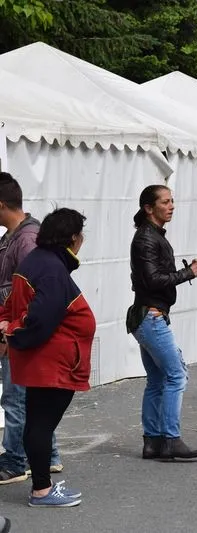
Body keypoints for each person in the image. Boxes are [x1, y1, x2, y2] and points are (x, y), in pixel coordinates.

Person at [0, 208, 92, 507]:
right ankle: (41, 489)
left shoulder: (38, 262)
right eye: (81, 235)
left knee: (37, 423)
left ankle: (42, 485)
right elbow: (38, 318)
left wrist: (8, 325)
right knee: (41, 424)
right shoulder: (51, 268)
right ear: (73, 238)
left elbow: (13, 307)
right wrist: (12, 329)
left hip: (45, 359)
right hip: (52, 361)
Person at [127, 185, 197, 461]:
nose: (171, 206)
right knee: (176, 375)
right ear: (149, 208)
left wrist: (187, 270)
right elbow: (152, 280)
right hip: (150, 316)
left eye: (172, 200)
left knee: (158, 379)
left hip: (147, 315)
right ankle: (171, 439)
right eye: (165, 202)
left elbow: (154, 276)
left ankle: (153, 441)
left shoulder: (152, 236)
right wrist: (188, 272)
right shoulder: (146, 238)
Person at [0, 172, 62, 485]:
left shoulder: (25, 240)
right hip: (22, 329)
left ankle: (14, 461)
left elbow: (31, 292)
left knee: (15, 398)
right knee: (31, 397)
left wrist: (10, 332)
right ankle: (47, 456)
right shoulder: (16, 236)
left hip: (19, 331)